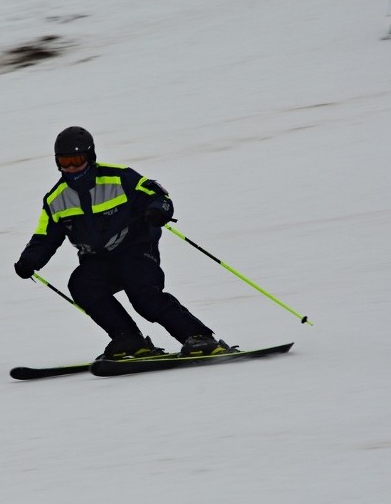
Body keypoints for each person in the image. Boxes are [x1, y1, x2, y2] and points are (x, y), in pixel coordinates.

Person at [14, 126, 230, 360]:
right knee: (82, 284)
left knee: (142, 294)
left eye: (77, 160)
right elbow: (45, 237)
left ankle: (199, 337)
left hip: (136, 249)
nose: (71, 168)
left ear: (90, 156)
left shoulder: (119, 178)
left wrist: (158, 210)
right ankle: (129, 339)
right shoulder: (56, 199)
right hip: (97, 259)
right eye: (64, 162)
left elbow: (159, 197)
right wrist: (29, 261)